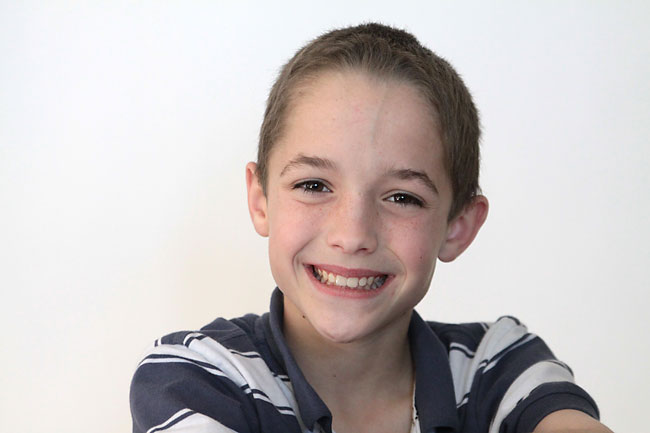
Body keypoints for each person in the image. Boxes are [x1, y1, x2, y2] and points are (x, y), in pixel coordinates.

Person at [130, 23, 612, 433]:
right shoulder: (193, 376)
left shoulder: (498, 366)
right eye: (315, 185)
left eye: (403, 197)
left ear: (458, 225)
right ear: (261, 200)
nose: (353, 233)